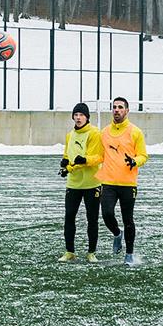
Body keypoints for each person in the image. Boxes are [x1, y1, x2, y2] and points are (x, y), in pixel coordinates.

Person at [96, 97, 148, 265]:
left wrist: (134, 161)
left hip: (128, 183)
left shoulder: (135, 132)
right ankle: (117, 234)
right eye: (114, 107)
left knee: (128, 220)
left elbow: (143, 155)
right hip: (108, 182)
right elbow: (99, 155)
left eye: (120, 107)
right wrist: (83, 161)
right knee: (107, 214)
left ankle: (129, 255)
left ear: (127, 111)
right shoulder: (104, 132)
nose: (117, 110)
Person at [58, 103, 103, 263]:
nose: (78, 118)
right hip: (74, 183)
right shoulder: (70, 135)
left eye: (81, 115)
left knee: (92, 218)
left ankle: (91, 253)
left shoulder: (94, 133)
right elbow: (68, 155)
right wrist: (65, 165)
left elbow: (98, 157)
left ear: (87, 117)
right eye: (76, 115)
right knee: (69, 217)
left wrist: (84, 160)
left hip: (92, 183)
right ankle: (69, 251)